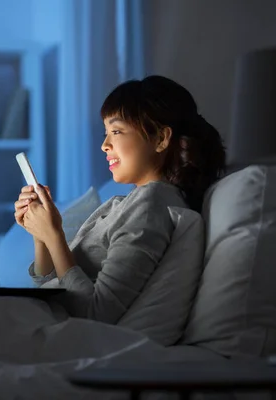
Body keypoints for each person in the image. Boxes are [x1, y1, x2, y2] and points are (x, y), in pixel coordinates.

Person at [13, 75, 226, 325]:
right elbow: (49, 283)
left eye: (116, 131)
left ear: (160, 139)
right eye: (106, 133)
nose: (104, 145)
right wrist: (41, 235)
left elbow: (95, 312)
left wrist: (54, 235)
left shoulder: (150, 206)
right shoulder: (126, 203)